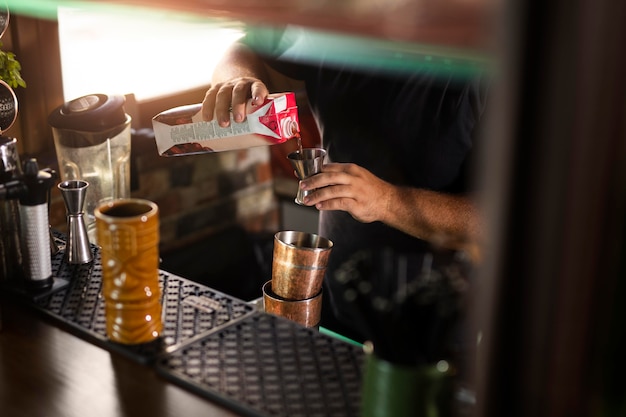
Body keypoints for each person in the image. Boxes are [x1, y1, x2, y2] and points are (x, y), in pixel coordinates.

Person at [201, 26, 488, 349]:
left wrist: (387, 202)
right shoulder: (341, 33)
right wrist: (236, 80)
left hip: (438, 319)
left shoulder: (483, 69)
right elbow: (243, 49)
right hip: (340, 296)